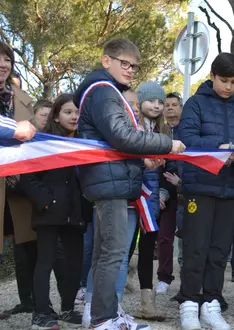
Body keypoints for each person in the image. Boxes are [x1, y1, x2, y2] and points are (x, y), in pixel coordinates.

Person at [74, 37, 185, 330]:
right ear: (105, 60)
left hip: (110, 178)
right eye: (124, 63)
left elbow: (113, 141)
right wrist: (166, 144)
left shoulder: (104, 91)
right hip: (108, 181)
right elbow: (121, 136)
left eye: (134, 66)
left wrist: (143, 161)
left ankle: (106, 313)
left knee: (105, 253)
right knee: (112, 253)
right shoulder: (103, 92)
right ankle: (103, 319)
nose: (130, 70)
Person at [175, 52, 234, 330]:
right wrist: (218, 147)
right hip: (200, 186)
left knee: (220, 250)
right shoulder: (195, 104)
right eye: (224, 80)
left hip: (230, 188)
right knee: (195, 247)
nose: (229, 87)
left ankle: (211, 304)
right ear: (212, 77)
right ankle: (188, 304)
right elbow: (186, 140)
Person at [19, 94, 85, 329]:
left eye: (77, 112)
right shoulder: (43, 141)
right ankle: (40, 314)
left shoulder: (85, 141)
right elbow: (27, 176)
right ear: (56, 115)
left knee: (74, 264)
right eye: (68, 112)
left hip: (76, 213)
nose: (74, 116)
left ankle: (67, 309)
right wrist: (47, 201)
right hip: (49, 213)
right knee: (44, 262)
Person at [0, 42, 37, 320]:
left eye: (7, 59)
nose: (3, 64)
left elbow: (36, 136)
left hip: (20, 185)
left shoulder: (23, 98)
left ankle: (28, 300)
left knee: (25, 243)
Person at [132, 81, 168, 321]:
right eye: (151, 100)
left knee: (148, 250)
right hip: (132, 196)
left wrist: (164, 193)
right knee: (122, 249)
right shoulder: (131, 127)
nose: (156, 105)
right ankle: (106, 302)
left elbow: (170, 168)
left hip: (153, 201)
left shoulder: (164, 133)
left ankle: (147, 302)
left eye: (160, 102)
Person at [156, 92, 184, 295]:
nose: (171, 108)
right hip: (164, 191)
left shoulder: (188, 131)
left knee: (187, 237)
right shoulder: (159, 131)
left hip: (185, 190)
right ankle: (164, 278)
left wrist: (181, 182)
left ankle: (187, 281)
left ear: (181, 108)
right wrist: (160, 192)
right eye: (167, 105)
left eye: (175, 104)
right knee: (164, 237)